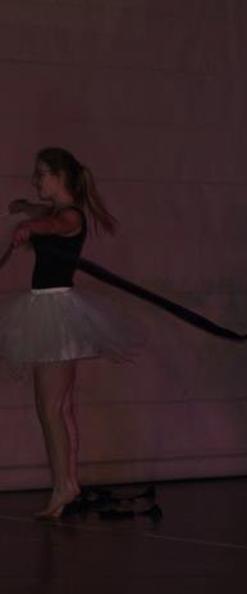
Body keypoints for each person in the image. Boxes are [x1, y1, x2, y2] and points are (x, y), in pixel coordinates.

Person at [1, 148, 128, 519]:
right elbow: (41, 214)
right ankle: (67, 482)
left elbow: (54, 226)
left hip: (55, 314)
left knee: (51, 408)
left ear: (60, 177)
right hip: (49, 311)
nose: (35, 180)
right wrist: (25, 208)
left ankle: (63, 485)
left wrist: (30, 227)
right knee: (60, 408)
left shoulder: (71, 216)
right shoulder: (55, 210)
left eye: (41, 174)